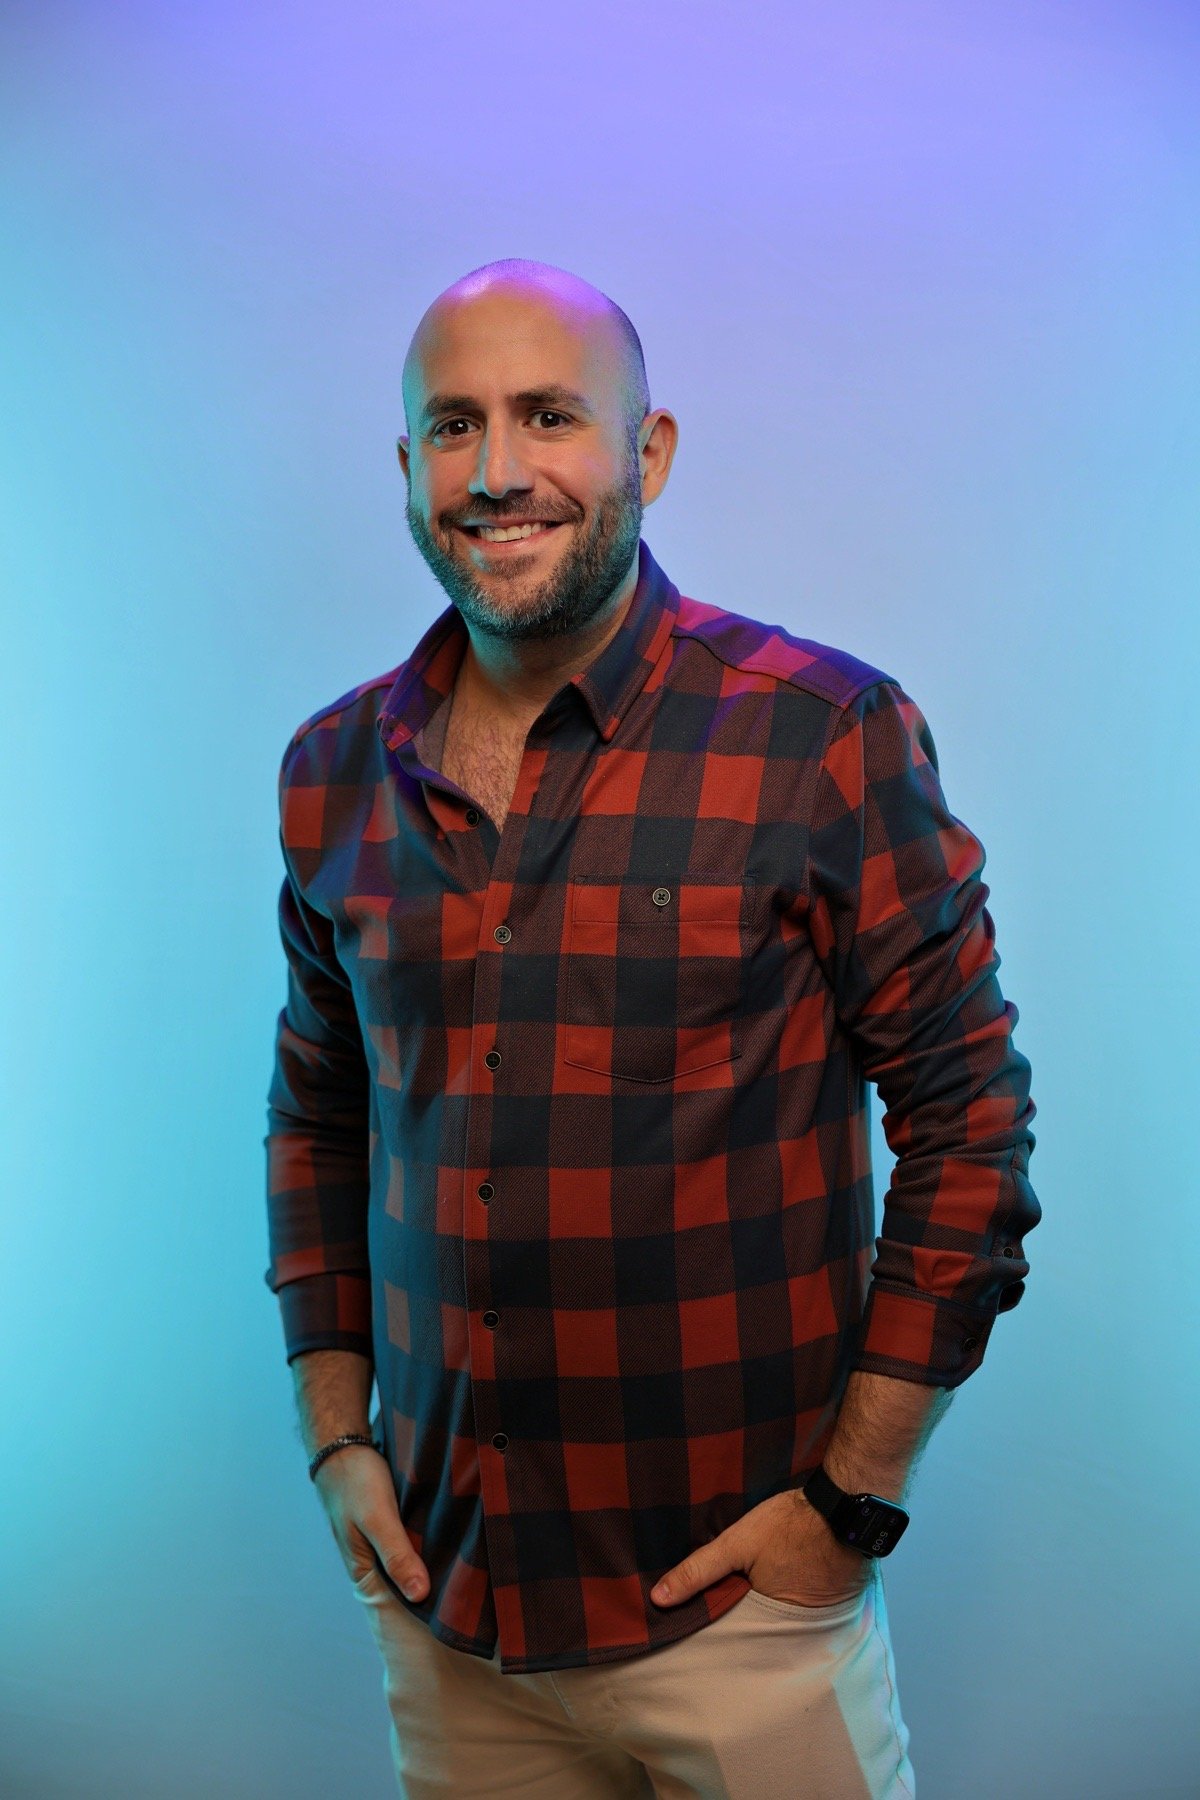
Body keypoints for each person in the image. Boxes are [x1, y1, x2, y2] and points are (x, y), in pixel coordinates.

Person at [263, 256, 1040, 1799]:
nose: (498, 473)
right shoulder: (330, 769)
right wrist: (338, 1438)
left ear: (649, 452)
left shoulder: (819, 734)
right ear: (408, 464)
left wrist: (851, 1506)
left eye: (550, 416)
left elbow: (971, 1127)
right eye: (453, 426)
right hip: (451, 1614)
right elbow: (319, 1117)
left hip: (743, 1620)